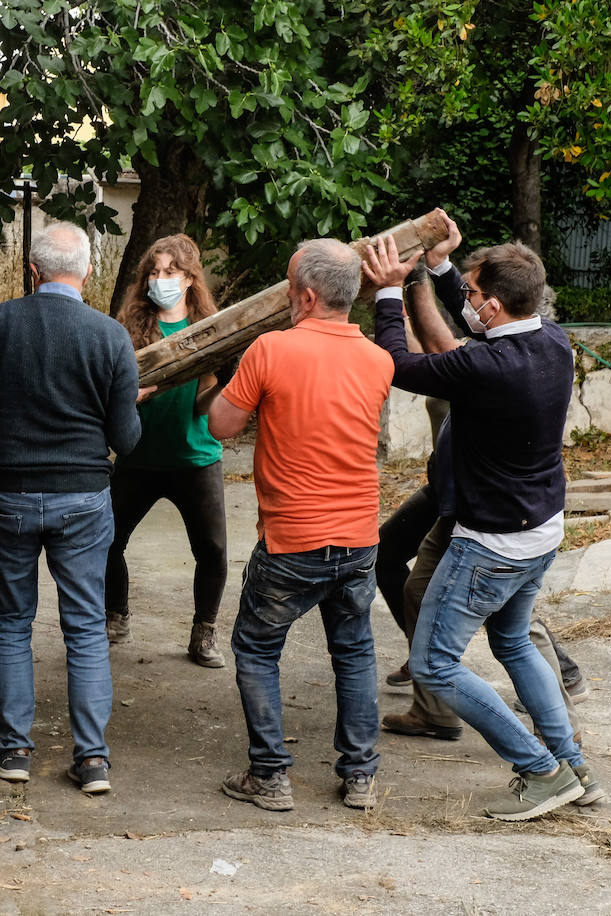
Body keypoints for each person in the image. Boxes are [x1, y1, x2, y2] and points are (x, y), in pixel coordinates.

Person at [364, 213, 596, 820]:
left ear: (493, 306)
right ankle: (573, 761)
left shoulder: (487, 369)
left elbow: (398, 362)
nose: (466, 302)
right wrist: (440, 268)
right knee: (514, 642)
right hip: (540, 529)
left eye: (472, 295)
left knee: (436, 665)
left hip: (489, 544)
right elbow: (473, 323)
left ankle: (539, 770)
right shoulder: (552, 342)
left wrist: (391, 290)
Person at [0, 222, 142, 795]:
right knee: (84, 629)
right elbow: (126, 439)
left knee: (9, 623)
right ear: (83, 272)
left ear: (32, 271)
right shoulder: (109, 337)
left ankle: (14, 751)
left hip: (6, 495)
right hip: (82, 498)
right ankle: (93, 761)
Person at [207, 238, 394, 812]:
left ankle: (270, 775)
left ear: (306, 296)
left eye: (290, 288)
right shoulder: (378, 358)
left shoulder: (269, 350)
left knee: (257, 649)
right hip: (360, 534)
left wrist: (226, 373)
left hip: (293, 538)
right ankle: (359, 775)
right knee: (355, 651)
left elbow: (220, 426)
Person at [104, 233, 230, 668]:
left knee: (212, 551)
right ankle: (115, 616)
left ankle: (204, 632)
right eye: (154, 273)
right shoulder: (129, 330)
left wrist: (223, 385)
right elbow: (112, 395)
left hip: (195, 458)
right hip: (138, 456)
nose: (160, 280)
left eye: (170, 273)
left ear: (190, 279)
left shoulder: (210, 332)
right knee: (108, 540)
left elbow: (203, 404)